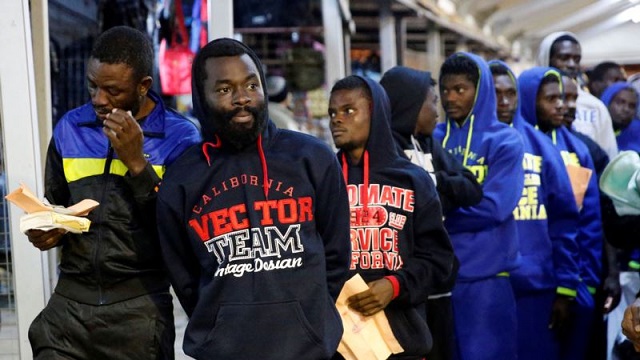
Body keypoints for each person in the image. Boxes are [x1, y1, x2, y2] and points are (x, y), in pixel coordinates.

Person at [156, 38, 351, 360]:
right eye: (224, 90)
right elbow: (184, 277)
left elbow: (337, 254)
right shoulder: (183, 178)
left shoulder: (312, 159)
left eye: (251, 85)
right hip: (224, 352)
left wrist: (306, 317)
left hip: (308, 349)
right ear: (201, 99)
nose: (242, 98)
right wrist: (221, 323)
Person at [26, 26, 201, 359]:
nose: (98, 99)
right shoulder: (71, 127)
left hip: (138, 312)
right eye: (92, 85)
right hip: (68, 309)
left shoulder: (181, 138)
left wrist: (137, 163)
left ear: (143, 86)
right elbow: (58, 206)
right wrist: (49, 229)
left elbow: (179, 232)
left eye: (112, 90)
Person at [328, 74, 455, 359]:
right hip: (341, 342)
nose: (337, 119)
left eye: (349, 110)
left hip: (402, 338)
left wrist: (395, 285)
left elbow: (439, 259)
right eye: (333, 112)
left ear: (377, 112)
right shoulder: (322, 180)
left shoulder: (412, 179)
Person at [379, 65, 481, 360]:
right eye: (431, 101)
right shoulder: (386, 152)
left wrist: (433, 179)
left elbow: (472, 188)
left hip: (438, 279)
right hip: (404, 285)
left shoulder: (427, 144)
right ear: (409, 106)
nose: (438, 110)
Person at [433, 52, 525, 360]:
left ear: (480, 90)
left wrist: (438, 218)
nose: (450, 98)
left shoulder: (506, 141)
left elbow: (495, 207)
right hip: (440, 278)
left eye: (460, 89)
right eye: (445, 90)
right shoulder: (432, 138)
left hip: (487, 278)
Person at [489, 60, 581, 360]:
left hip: (536, 287)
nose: (503, 101)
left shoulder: (541, 147)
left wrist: (566, 287)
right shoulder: (460, 147)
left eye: (510, 93)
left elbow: (564, 220)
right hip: (481, 287)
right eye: (495, 92)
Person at [518, 66, 604, 360]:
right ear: (529, 99)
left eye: (565, 99)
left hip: (575, 278)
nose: (562, 105)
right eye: (551, 99)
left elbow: (589, 221)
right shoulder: (513, 145)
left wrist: (587, 283)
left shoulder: (576, 149)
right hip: (532, 280)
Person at [537, 31, 618, 161]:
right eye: (564, 58)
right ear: (546, 59)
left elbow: (609, 156)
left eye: (576, 60)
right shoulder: (530, 102)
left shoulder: (594, 106)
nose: (571, 65)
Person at [601, 82, 640, 153]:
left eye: (632, 106)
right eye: (620, 102)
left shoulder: (637, 135)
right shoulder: (592, 130)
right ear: (607, 102)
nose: (626, 109)